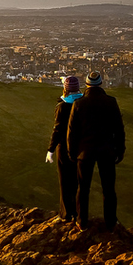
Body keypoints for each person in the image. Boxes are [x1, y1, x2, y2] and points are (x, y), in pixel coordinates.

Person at [66, 71, 125, 230]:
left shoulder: (79, 104)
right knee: (109, 189)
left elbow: (72, 132)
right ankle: (111, 222)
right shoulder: (111, 102)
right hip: (107, 151)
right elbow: (119, 129)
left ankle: (82, 221)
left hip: (85, 152)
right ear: (100, 84)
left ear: (87, 85)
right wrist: (120, 150)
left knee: (83, 188)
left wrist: (72, 152)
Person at [46, 76, 82, 221]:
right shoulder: (82, 103)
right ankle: (78, 213)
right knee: (76, 182)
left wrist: (50, 149)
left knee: (65, 181)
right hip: (80, 147)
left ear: (65, 89)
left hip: (64, 148)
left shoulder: (62, 106)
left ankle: (66, 214)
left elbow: (58, 129)